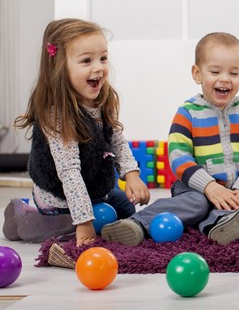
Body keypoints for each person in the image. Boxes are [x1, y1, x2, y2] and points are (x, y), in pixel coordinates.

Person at [101, 32, 239, 246]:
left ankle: (220, 226)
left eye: (233, 73)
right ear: (197, 74)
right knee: (198, 203)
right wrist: (208, 186)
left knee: (230, 206)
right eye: (215, 71)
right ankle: (136, 224)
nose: (225, 78)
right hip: (193, 187)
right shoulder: (188, 113)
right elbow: (179, 156)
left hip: (232, 189)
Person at [3, 19, 150, 248]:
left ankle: (95, 215)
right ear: (60, 67)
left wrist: (131, 174)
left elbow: (116, 139)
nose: (99, 67)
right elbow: (69, 172)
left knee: (125, 208)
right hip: (58, 197)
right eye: (86, 60)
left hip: (92, 188)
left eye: (103, 58)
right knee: (71, 229)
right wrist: (83, 221)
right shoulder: (57, 116)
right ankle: (22, 216)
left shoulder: (101, 99)